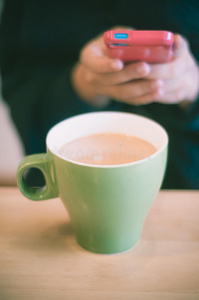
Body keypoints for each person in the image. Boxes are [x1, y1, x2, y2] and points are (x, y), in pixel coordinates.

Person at [0, 0, 199, 189]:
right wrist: (84, 81)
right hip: (68, 182)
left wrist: (192, 86)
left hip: (186, 188)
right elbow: (17, 74)